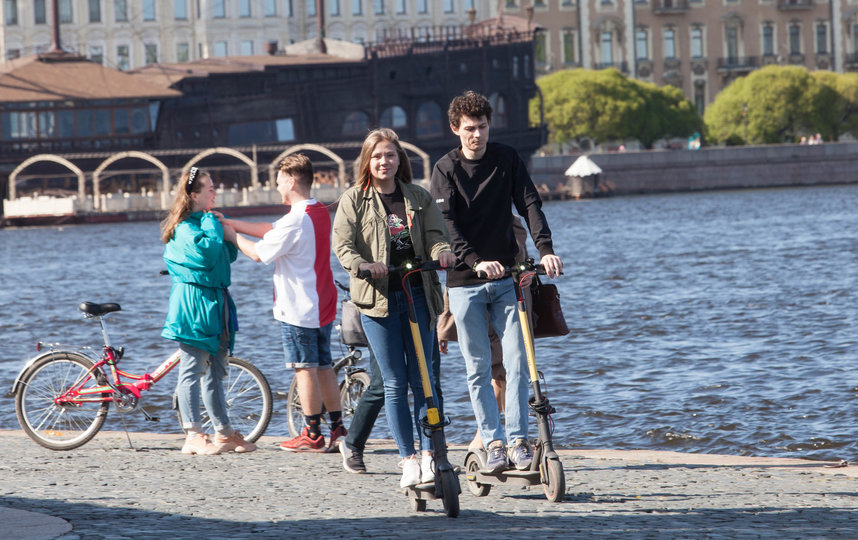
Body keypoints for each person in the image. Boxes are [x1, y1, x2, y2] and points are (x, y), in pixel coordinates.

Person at [430, 90, 563, 472]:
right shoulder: (445, 169)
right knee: (477, 367)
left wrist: (546, 249)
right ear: (455, 129)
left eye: (483, 127)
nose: (477, 135)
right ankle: (493, 444)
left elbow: (529, 203)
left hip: (507, 278)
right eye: (469, 129)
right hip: (464, 283)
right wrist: (475, 261)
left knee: (519, 360)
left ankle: (519, 441)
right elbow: (447, 225)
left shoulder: (505, 158)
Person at [332, 128, 455, 488]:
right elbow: (343, 246)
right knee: (395, 383)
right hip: (379, 299)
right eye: (377, 156)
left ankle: (431, 454)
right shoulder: (354, 200)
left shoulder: (417, 196)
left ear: (400, 158)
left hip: (418, 294)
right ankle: (408, 460)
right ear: (367, 162)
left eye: (390, 155)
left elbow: (436, 235)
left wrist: (440, 253)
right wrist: (363, 265)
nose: (384, 161)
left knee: (424, 381)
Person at [219, 154, 345, 452]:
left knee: (305, 368)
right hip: (323, 301)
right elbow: (272, 229)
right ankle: (338, 429)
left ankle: (312, 433)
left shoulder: (296, 220)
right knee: (324, 366)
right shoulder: (316, 211)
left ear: (291, 180)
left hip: (299, 306)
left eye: (278, 181)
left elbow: (260, 253)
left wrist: (231, 235)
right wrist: (234, 222)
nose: (276, 187)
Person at [161, 166, 257, 455]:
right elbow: (207, 255)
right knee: (191, 369)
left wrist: (219, 225)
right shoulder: (184, 228)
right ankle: (192, 433)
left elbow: (227, 254)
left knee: (217, 369)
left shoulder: (205, 222)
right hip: (193, 304)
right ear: (194, 195)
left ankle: (223, 431)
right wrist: (216, 226)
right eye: (210, 188)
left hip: (217, 303)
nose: (216, 192)